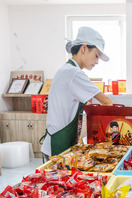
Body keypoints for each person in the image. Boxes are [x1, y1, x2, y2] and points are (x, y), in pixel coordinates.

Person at [41, 26, 114, 159]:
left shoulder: (66, 69)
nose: (97, 62)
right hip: (58, 145)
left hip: (57, 140)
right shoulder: (73, 73)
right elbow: (106, 101)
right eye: (96, 56)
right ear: (84, 48)